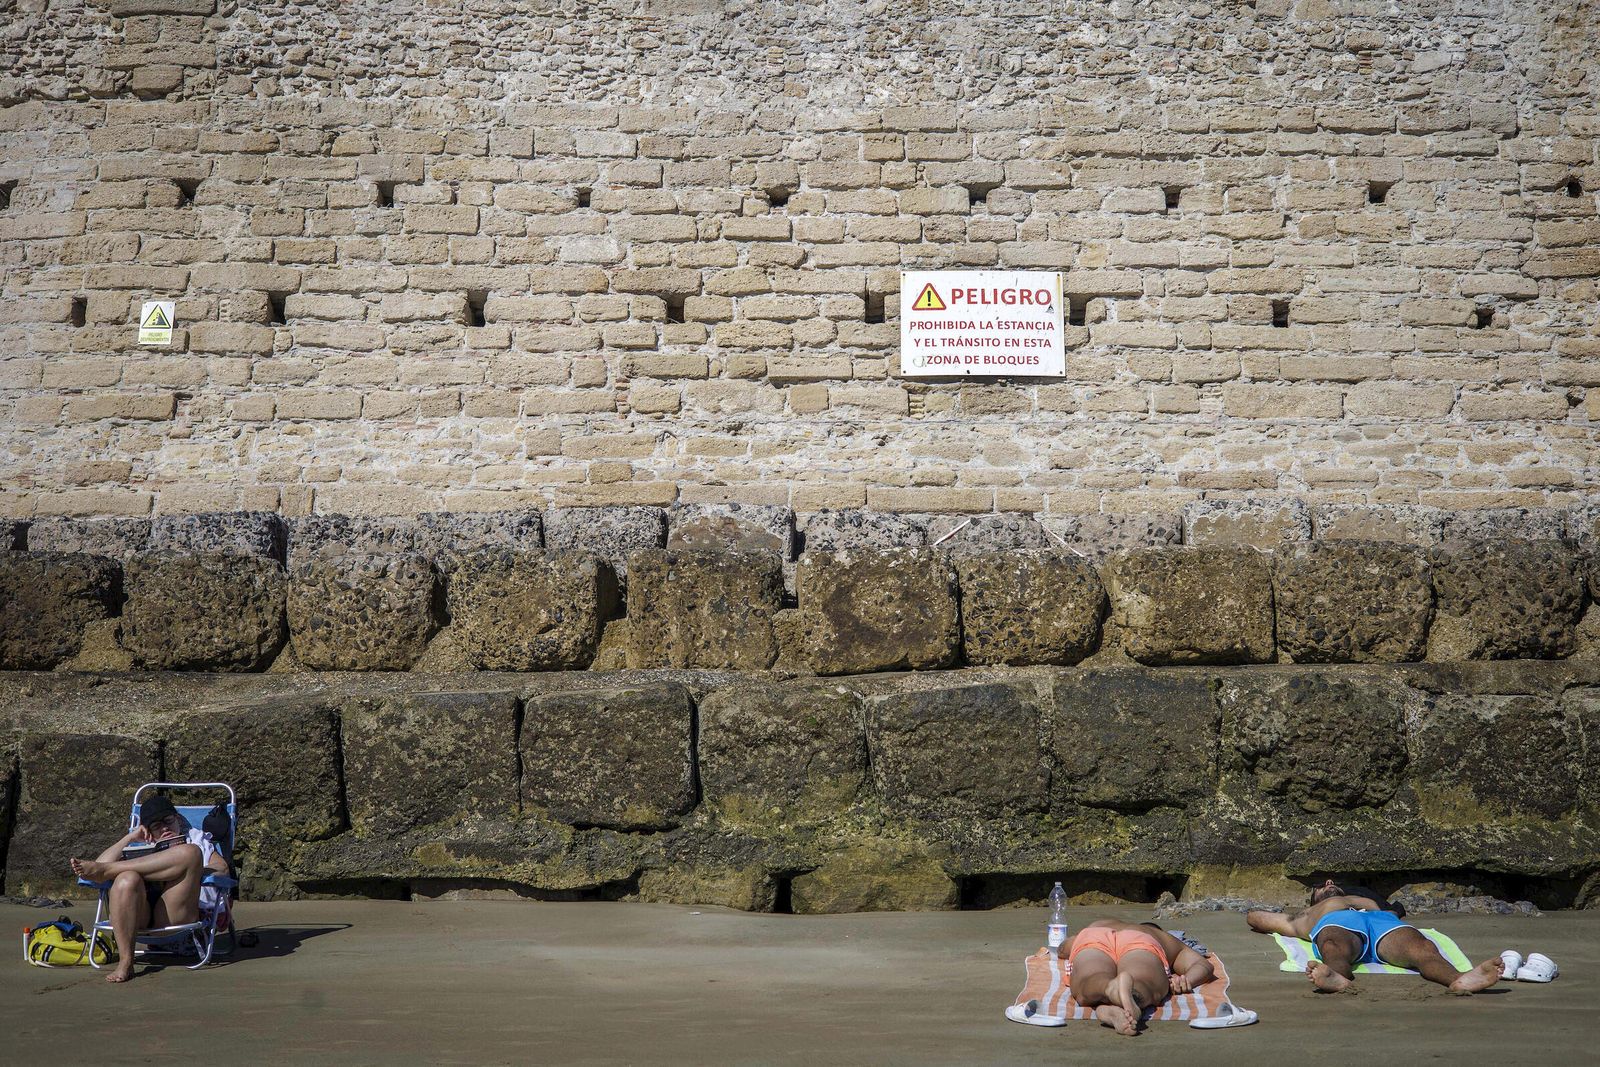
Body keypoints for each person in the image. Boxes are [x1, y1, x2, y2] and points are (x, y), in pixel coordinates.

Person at [68, 795, 230, 984]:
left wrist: (188, 870)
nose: (165, 828)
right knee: (126, 878)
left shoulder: (196, 839)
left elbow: (223, 869)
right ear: (147, 830)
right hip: (138, 916)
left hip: (173, 913)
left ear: (177, 819)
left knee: (191, 853)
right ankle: (126, 961)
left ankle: (111, 871)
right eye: (156, 826)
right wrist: (130, 837)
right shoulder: (137, 845)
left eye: (168, 821)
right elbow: (95, 868)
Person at [1244, 879, 1502, 994]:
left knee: (1421, 947)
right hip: (1338, 922)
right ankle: (1337, 976)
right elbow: (1255, 917)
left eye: (1331, 882)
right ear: (1313, 899)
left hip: (1381, 922)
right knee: (1333, 943)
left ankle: (1458, 980)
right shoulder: (1307, 913)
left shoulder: (1366, 899)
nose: (1328, 883)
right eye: (1321, 886)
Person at [1061, 918, 1215, 1036]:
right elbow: (1203, 965)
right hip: (1140, 939)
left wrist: (1068, 947)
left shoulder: (1098, 923)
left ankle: (1109, 989)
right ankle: (1132, 1000)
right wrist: (1186, 980)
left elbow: (1062, 948)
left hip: (1095, 936)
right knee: (1143, 983)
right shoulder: (1159, 935)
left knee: (1089, 978)